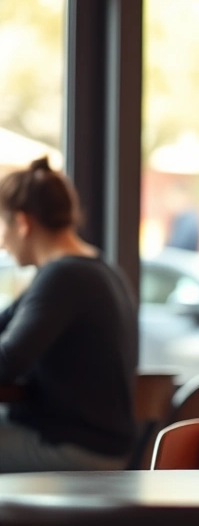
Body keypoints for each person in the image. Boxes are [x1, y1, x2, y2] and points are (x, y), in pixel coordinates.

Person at [0, 157, 138, 472]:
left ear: (22, 223)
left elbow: (6, 362)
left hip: (75, 451)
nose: (2, 241)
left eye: (1, 225)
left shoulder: (64, 277)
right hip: (98, 445)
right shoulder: (98, 268)